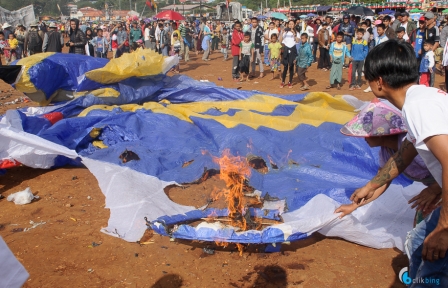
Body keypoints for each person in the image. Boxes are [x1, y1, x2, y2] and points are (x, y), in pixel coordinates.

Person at [349, 40, 448, 286]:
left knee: (434, 267)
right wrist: (371, 186)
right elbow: (404, 154)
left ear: (379, 82)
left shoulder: (418, 107)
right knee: (417, 243)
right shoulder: (420, 99)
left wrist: (444, 228)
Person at [336, 99, 441, 225]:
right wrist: (353, 206)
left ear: (380, 134)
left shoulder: (416, 145)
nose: (363, 139)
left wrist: (434, 190)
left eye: (367, 134)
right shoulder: (387, 152)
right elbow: (381, 181)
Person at [280, 20, 299, 88]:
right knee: (285, 66)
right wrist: (282, 33)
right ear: (288, 25)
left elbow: (297, 41)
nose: (291, 25)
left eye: (292, 24)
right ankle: (283, 81)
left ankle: (290, 82)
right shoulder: (285, 32)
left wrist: (294, 34)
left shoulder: (296, 32)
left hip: (293, 49)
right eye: (289, 24)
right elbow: (280, 41)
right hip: (286, 49)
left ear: (294, 25)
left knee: (291, 66)